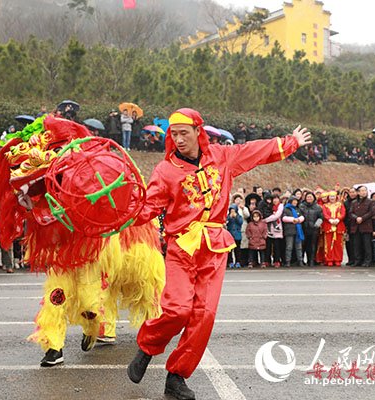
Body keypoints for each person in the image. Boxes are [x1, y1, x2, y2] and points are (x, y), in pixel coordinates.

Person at [126, 108, 310, 399]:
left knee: (204, 315)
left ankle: (177, 376)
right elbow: (148, 207)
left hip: (214, 247)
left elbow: (255, 151)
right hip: (182, 246)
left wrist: (291, 142)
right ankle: (148, 347)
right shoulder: (165, 170)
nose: (179, 139)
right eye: (174, 134)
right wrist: (117, 215)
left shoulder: (222, 158)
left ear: (199, 132)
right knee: (177, 310)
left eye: (184, 133)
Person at [348, 186, 375, 267]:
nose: (363, 192)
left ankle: (367, 261)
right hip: (356, 226)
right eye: (361, 191)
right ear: (358, 192)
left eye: (365, 191)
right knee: (356, 245)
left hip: (366, 226)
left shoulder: (370, 202)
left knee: (367, 245)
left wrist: (362, 218)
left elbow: (371, 212)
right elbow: (350, 213)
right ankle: (357, 260)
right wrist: (356, 218)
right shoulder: (354, 202)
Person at [321, 191, 346, 267]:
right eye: (331, 196)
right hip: (328, 226)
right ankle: (329, 259)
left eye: (333, 196)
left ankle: (338, 259)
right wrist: (330, 219)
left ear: (336, 197)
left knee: (338, 244)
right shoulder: (325, 206)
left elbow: (343, 213)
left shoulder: (340, 205)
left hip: (339, 226)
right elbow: (325, 214)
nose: (332, 198)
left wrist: (338, 219)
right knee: (328, 244)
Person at [299, 192, 322, 266]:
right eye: (308, 197)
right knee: (302, 245)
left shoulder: (318, 207)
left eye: (310, 197)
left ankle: (311, 260)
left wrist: (317, 224)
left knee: (312, 245)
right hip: (303, 228)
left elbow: (321, 217)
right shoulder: (301, 206)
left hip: (314, 229)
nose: (309, 198)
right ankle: (301, 260)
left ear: (314, 198)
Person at [282, 197, 304, 267]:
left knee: (299, 247)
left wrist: (298, 220)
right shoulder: (286, 209)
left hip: (298, 230)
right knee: (289, 247)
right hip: (289, 230)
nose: (295, 203)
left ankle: (300, 261)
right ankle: (288, 261)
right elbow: (284, 218)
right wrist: (293, 219)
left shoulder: (298, 209)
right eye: (294, 201)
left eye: (296, 201)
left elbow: (302, 217)